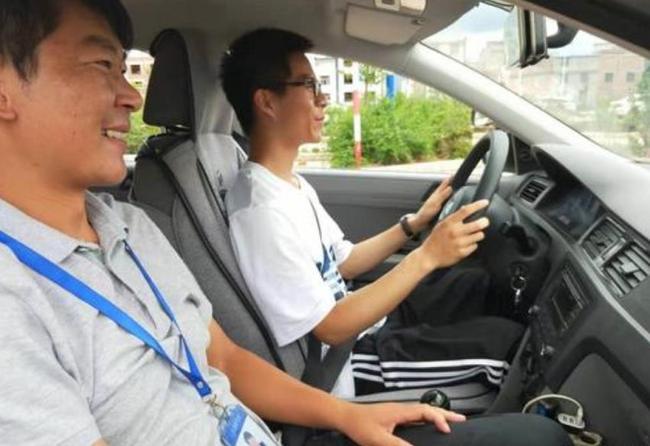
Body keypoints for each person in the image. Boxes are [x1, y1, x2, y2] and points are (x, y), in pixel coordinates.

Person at [0, 1, 571, 445]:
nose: (131, 94)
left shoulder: (128, 226)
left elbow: (221, 358)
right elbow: (328, 329)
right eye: (102, 64)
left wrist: (345, 416)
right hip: (335, 365)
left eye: (126, 68)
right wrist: (425, 256)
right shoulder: (14, 299)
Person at [222, 28, 524, 398]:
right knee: (505, 346)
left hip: (362, 320)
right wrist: (426, 256)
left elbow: (344, 262)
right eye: (309, 85)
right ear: (267, 102)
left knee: (477, 285)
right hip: (345, 360)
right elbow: (330, 328)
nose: (323, 99)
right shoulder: (260, 213)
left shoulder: (288, 184)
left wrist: (414, 224)